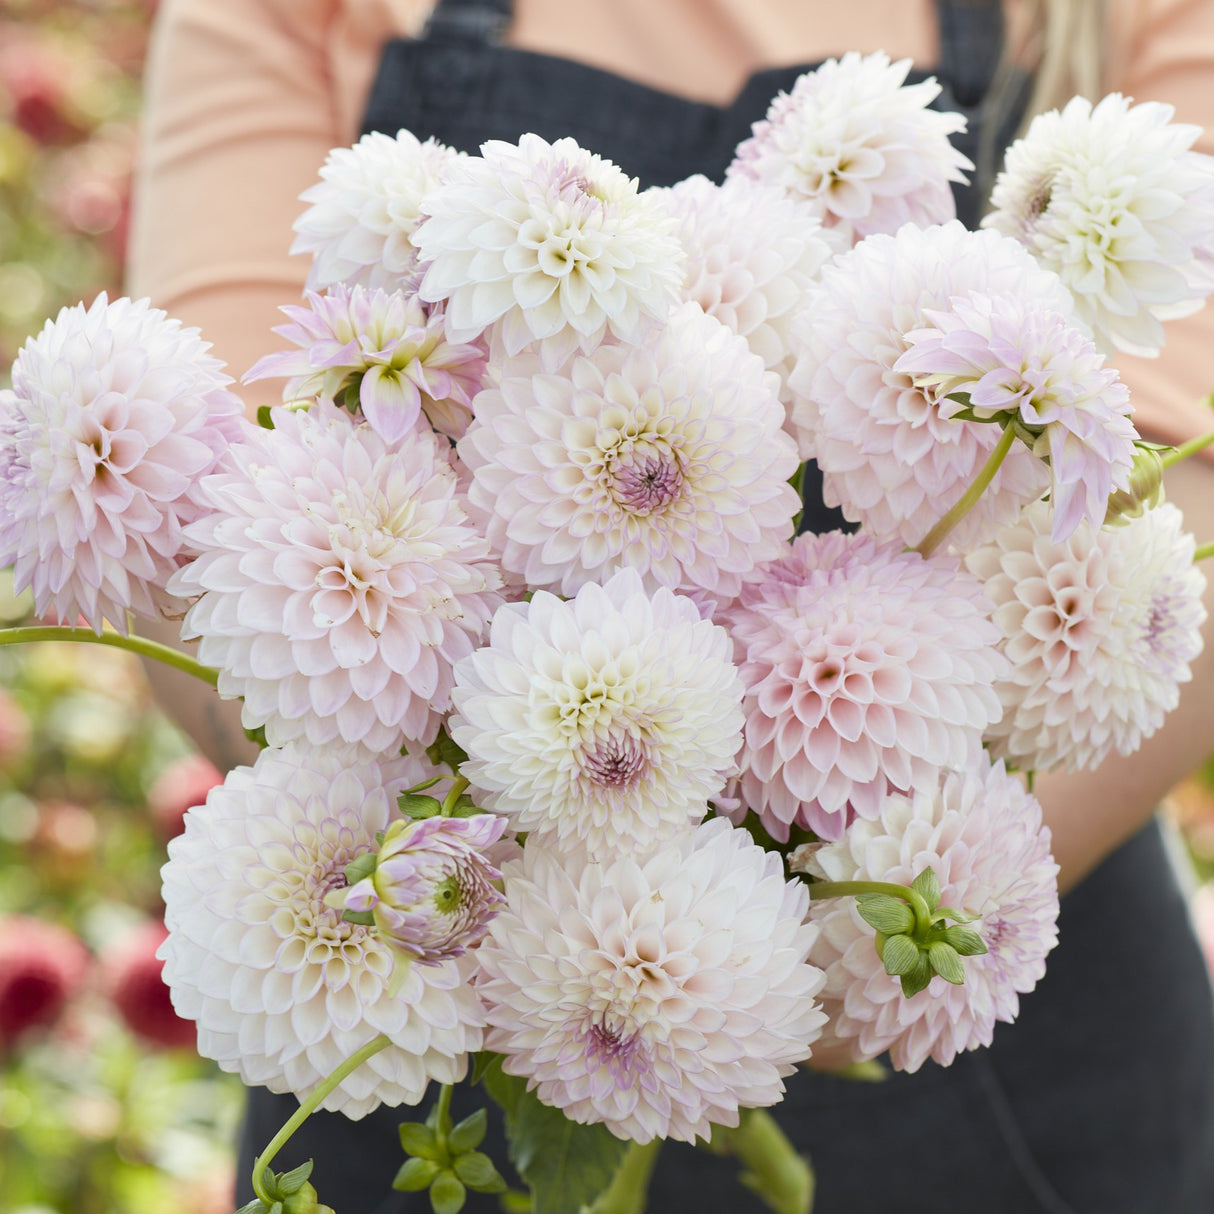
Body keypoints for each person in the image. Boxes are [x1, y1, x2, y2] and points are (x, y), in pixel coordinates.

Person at [127, 0, 1214, 1209]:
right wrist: (450, 873)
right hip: (424, 998)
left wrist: (870, 936)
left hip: (990, 1046)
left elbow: (1181, 519)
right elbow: (198, 525)